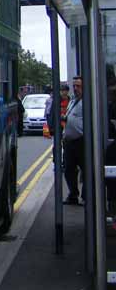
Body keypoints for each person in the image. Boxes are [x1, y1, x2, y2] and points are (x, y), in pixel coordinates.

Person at [62, 76, 84, 205]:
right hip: (69, 142)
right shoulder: (72, 101)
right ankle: (73, 195)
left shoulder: (86, 101)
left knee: (85, 170)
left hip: (81, 141)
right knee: (69, 170)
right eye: (74, 86)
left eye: (78, 86)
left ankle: (86, 196)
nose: (75, 88)